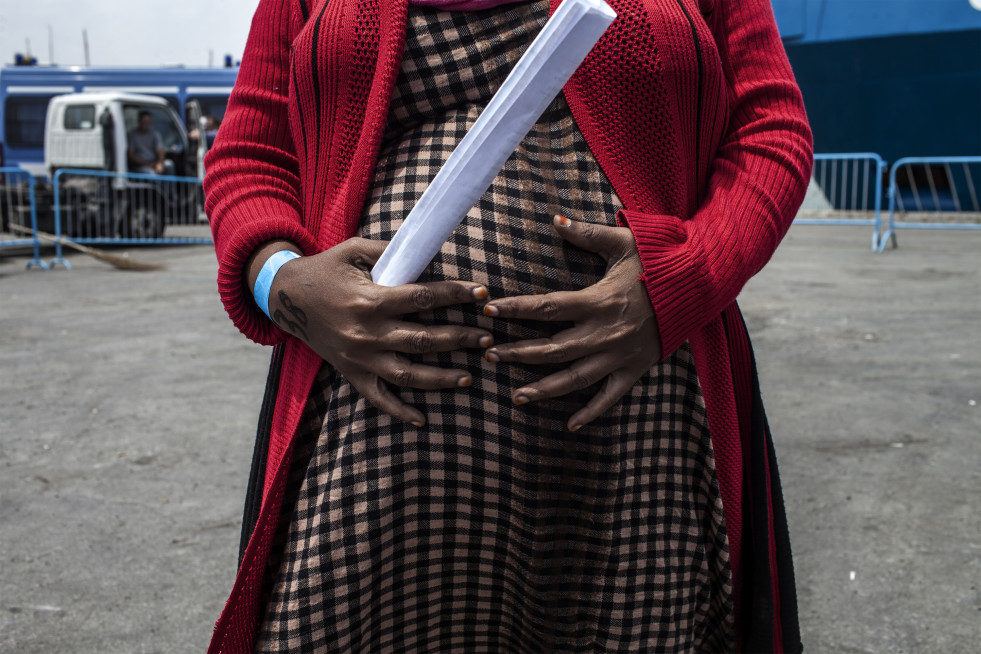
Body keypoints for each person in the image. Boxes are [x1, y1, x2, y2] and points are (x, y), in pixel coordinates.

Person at [203, 0, 813, 652]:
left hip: (634, 433)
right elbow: (249, 154)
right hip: (371, 443)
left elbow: (770, 132)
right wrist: (281, 280)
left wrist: (689, 275)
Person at [126, 110, 166, 174]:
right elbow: (131, 155)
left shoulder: (154, 134)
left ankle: (170, 184)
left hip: (153, 162)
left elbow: (160, 151)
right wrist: (146, 164)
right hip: (139, 165)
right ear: (139, 121)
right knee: (151, 173)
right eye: (144, 121)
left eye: (148, 121)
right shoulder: (132, 135)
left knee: (169, 165)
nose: (146, 123)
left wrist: (160, 163)